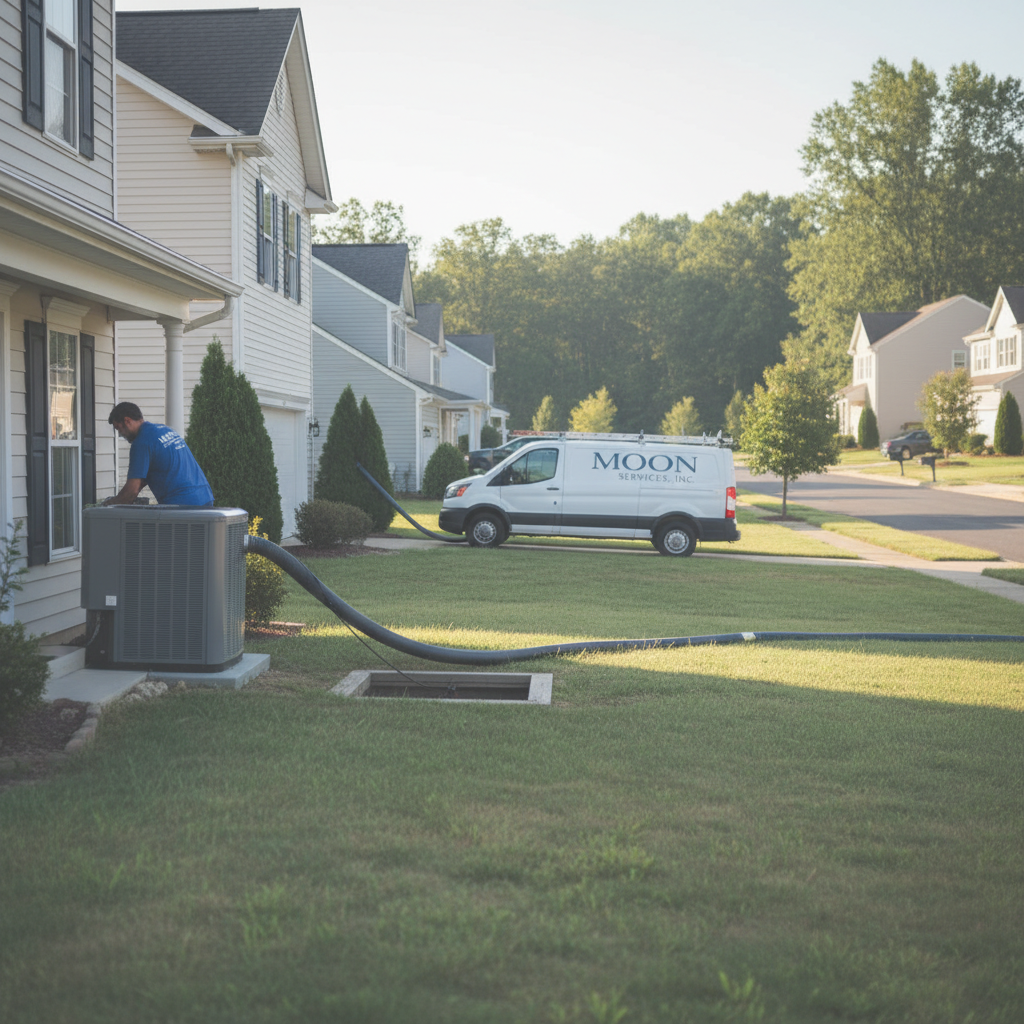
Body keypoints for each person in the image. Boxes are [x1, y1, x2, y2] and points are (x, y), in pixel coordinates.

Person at [104, 402, 214, 506]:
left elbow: (131, 491)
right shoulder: (165, 430)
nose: (120, 434)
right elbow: (142, 481)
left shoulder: (141, 442)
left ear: (127, 421)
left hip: (181, 504)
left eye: (119, 428)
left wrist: (108, 504)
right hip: (205, 497)